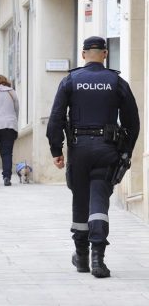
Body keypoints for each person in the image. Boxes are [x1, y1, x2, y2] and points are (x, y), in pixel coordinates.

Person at [46, 36, 140, 278]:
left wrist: (57, 150)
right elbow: (133, 121)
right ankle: (98, 257)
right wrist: (126, 150)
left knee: (80, 199)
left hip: (79, 149)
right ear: (105, 54)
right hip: (107, 149)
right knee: (98, 200)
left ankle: (81, 257)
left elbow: (56, 117)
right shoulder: (116, 82)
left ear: (83, 54)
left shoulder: (71, 80)